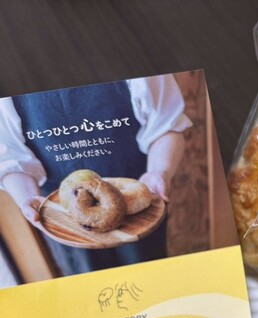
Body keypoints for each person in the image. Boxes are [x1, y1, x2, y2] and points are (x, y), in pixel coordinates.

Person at [0, 73, 192, 277]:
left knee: (148, 277)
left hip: (138, 203)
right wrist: (27, 198)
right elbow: (10, 159)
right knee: (87, 284)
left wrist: (159, 171)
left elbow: (166, 127)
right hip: (64, 216)